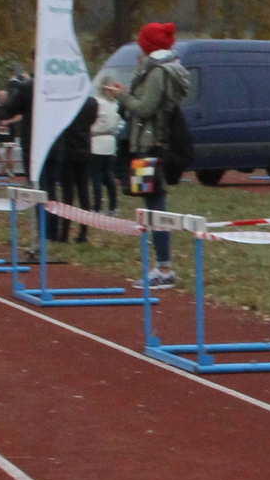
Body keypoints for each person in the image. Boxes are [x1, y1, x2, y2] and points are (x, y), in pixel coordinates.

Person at [121, 22, 191, 288]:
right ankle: (161, 265)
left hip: (151, 147)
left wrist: (122, 97)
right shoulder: (158, 69)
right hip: (147, 145)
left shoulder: (157, 72)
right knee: (150, 205)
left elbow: (146, 108)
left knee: (155, 207)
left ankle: (164, 268)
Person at [56, 93, 98, 244]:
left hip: (68, 151)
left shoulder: (68, 100)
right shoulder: (92, 102)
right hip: (85, 148)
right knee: (84, 192)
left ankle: (64, 234)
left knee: (68, 194)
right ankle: (83, 233)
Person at [91, 78, 123, 215]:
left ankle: (97, 207)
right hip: (110, 142)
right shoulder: (115, 104)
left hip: (96, 141)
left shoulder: (98, 102)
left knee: (96, 176)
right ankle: (113, 206)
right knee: (108, 175)